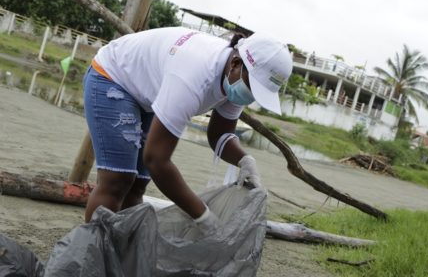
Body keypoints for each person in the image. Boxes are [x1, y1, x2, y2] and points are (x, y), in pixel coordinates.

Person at [83, 27, 292, 233]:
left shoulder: (236, 77)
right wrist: (202, 215)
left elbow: (220, 135)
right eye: (253, 88)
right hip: (113, 77)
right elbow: (156, 159)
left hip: (148, 92)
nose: (251, 97)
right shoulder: (194, 74)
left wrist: (245, 160)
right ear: (236, 64)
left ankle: (121, 253)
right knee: (117, 181)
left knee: (138, 184)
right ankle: (92, 254)